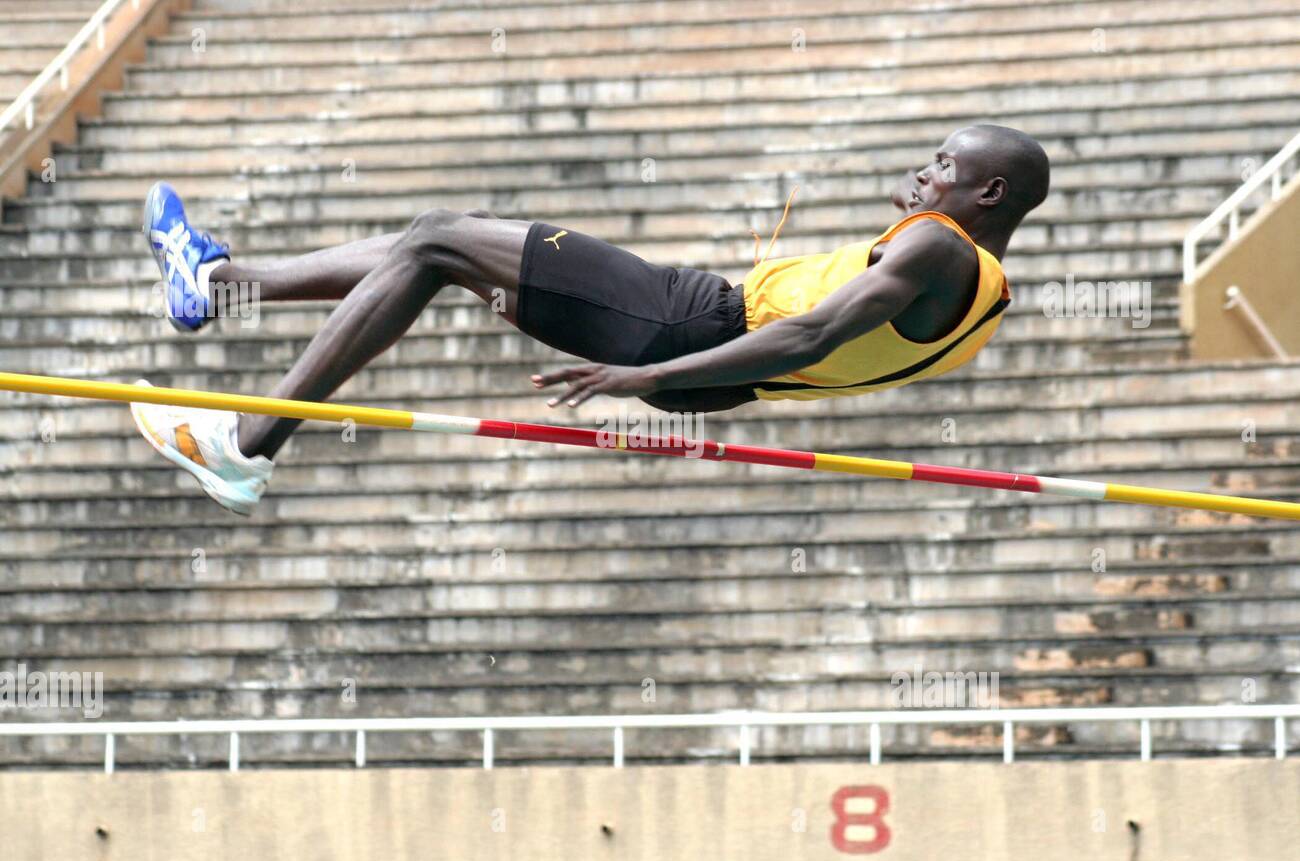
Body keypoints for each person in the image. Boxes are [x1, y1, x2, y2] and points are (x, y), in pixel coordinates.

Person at [131, 124, 1049, 514]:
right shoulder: (984, 295)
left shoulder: (937, 248)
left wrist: (644, 379)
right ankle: (218, 284)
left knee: (440, 236)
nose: (926, 174)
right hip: (714, 361)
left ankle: (246, 439)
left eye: (942, 164)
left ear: (990, 191)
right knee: (436, 251)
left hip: (692, 328)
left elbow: (812, 336)